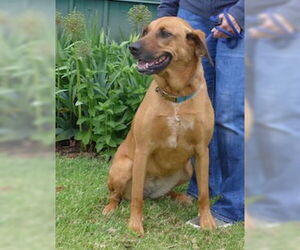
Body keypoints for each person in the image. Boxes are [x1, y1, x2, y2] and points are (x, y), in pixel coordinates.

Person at [158, 0, 245, 227]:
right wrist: (166, 13)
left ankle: (234, 205)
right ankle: (203, 187)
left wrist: (242, 11)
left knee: (230, 114)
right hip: (190, 15)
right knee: (199, 110)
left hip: (239, 17)